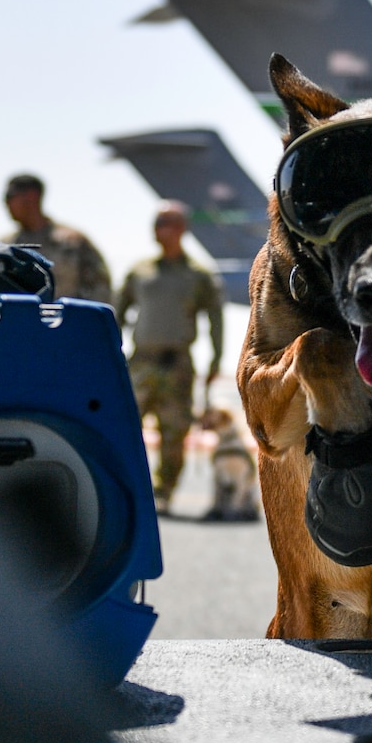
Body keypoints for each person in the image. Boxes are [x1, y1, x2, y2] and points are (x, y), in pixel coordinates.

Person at [114, 202, 225, 512]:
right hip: (141, 362)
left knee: (174, 431)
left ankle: (163, 492)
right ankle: (124, 487)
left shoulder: (198, 275)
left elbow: (215, 317)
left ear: (182, 229)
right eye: (158, 222)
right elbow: (117, 313)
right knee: (125, 425)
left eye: (168, 222)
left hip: (177, 364)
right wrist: (109, 351)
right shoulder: (141, 271)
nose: (161, 229)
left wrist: (216, 359)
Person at [3, 173, 111, 305]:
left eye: (10, 197)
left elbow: (101, 287)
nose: (6, 204)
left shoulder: (72, 242)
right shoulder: (5, 247)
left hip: (65, 323)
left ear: (32, 196)